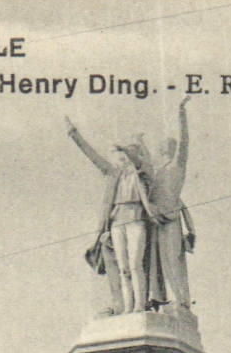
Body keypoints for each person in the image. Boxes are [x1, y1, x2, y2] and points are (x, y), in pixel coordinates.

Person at [66, 116, 161, 312]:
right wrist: (74, 134)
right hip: (117, 221)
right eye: (123, 154)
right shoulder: (114, 173)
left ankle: (139, 306)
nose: (124, 158)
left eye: (129, 154)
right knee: (123, 268)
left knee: (135, 265)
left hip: (136, 219)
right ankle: (128, 307)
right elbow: (93, 156)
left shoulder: (142, 173)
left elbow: (141, 163)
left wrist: (127, 150)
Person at [146, 95, 195, 310]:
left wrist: (181, 112)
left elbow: (185, 140)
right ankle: (157, 298)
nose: (166, 146)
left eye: (169, 144)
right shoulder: (156, 171)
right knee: (155, 261)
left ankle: (181, 300)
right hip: (155, 218)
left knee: (173, 259)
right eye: (163, 145)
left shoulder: (177, 166)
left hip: (171, 218)